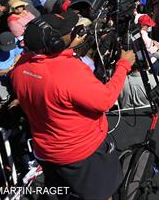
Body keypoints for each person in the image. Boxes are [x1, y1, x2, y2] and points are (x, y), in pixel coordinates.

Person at [11, 11, 136, 200]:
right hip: (82, 154)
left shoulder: (21, 66)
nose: (76, 33)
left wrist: (69, 48)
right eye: (72, 31)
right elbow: (105, 99)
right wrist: (123, 65)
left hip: (47, 152)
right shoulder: (68, 71)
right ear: (55, 43)